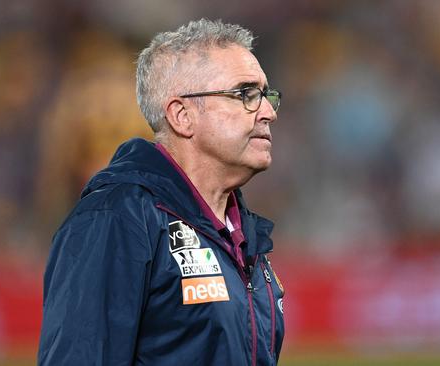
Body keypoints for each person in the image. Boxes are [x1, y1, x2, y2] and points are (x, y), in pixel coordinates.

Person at [38, 19, 285, 365]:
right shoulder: (117, 218)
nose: (269, 112)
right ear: (182, 116)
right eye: (245, 94)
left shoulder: (242, 235)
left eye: (266, 94)